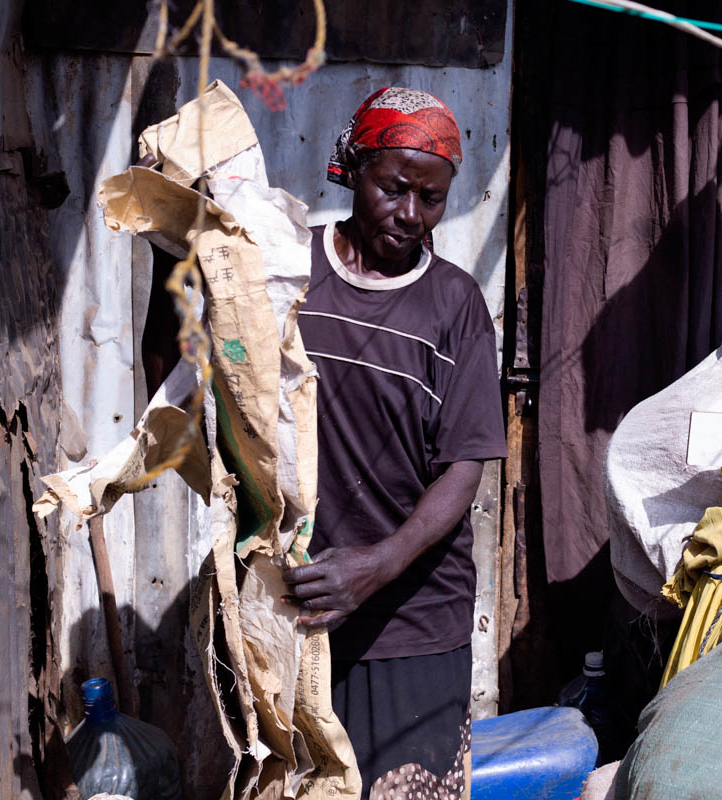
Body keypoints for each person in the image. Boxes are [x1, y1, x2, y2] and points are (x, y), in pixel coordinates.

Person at [280, 87, 506, 800]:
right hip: (295, 601)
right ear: (354, 169)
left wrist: (375, 567)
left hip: (411, 618)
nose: (411, 215)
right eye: (394, 189)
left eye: (431, 199)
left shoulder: (454, 305)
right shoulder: (291, 270)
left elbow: (464, 467)